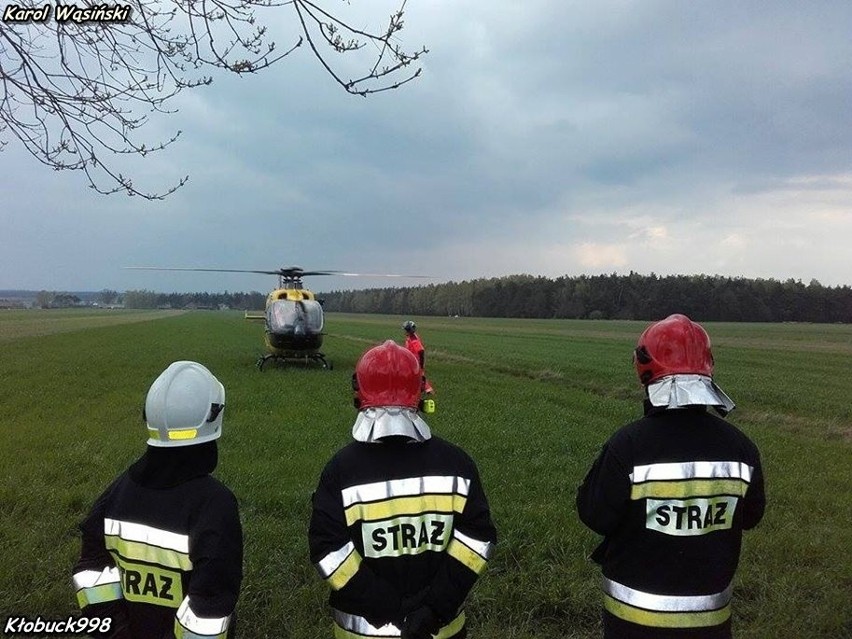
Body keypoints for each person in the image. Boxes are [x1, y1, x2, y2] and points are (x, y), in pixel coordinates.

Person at [576, 314, 766, 638]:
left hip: (633, 621)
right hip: (711, 621)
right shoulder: (741, 448)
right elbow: (751, 516)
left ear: (644, 369)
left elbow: (594, 515)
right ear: (707, 368)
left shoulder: (629, 446)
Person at [309, 340, 496, 639]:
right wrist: (433, 609)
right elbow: (476, 541)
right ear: (420, 392)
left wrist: (389, 607)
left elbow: (329, 552)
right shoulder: (458, 464)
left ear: (359, 393)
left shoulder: (340, 471)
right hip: (442, 631)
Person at [73, 361, 243, 639]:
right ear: (213, 417)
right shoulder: (215, 505)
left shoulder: (115, 493)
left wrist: (116, 631)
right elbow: (209, 608)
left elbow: (92, 575)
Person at [402, 320, 433, 394]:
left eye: (407, 330)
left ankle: (426, 392)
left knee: (419, 378)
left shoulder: (414, 340)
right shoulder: (411, 337)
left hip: (415, 362)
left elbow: (421, 351)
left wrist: (421, 365)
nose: (406, 332)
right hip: (411, 362)